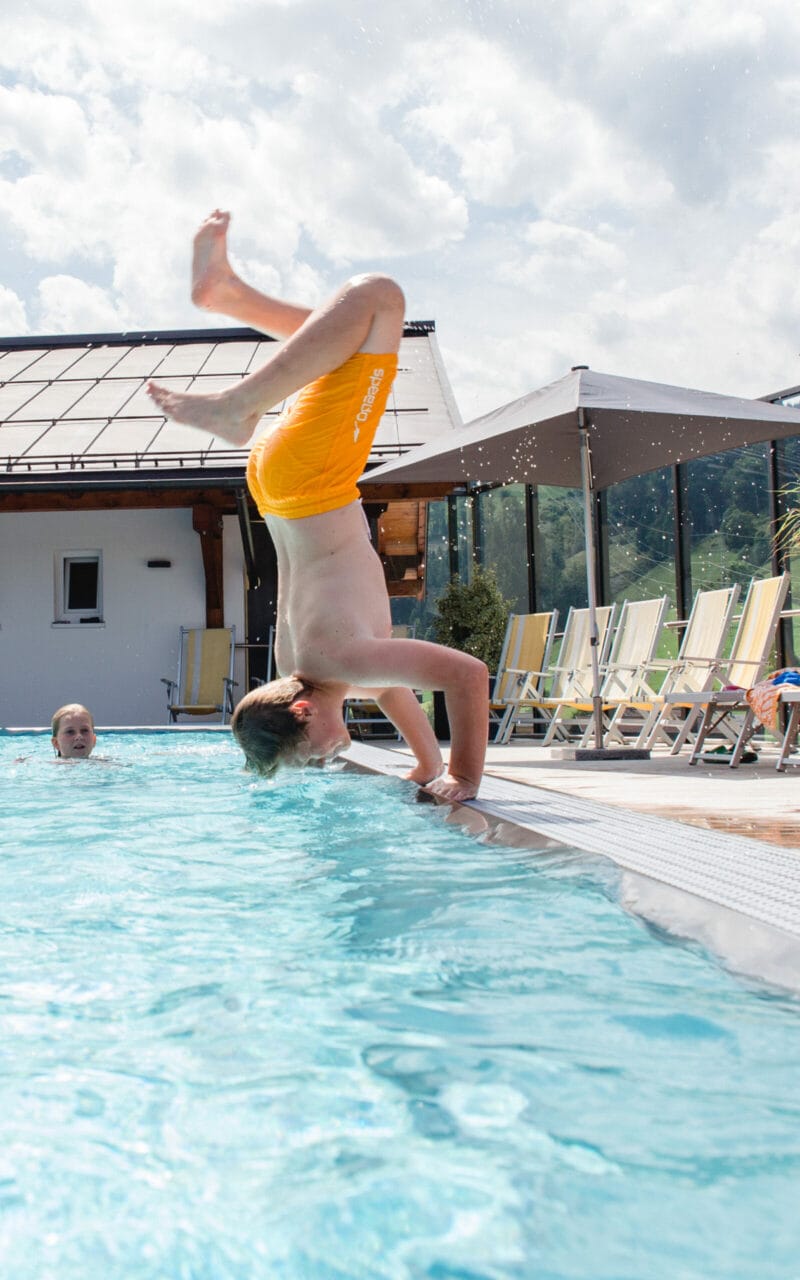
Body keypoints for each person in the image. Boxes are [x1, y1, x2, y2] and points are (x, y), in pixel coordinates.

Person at [146, 211, 487, 801]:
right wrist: (427, 764)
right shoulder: (310, 663)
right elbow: (387, 687)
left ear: (302, 711)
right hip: (274, 487)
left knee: (377, 297)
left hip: (313, 482)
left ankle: (236, 406)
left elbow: (468, 676)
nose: (328, 755)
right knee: (347, 340)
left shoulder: (343, 661)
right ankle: (230, 296)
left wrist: (463, 776)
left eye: (310, 752)